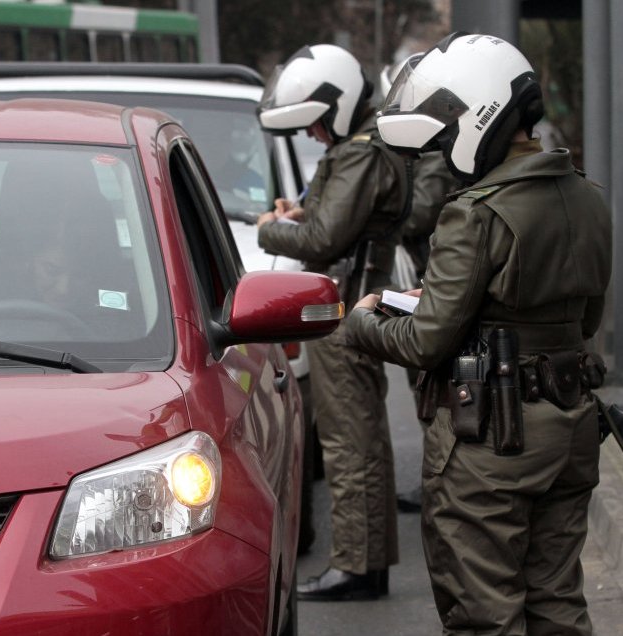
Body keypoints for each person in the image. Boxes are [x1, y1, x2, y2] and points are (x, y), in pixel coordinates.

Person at [347, 33, 612, 635]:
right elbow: (583, 322)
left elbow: (425, 343)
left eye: (443, 138)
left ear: (476, 114)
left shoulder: (475, 211)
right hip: (570, 430)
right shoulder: (589, 199)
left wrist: (364, 321)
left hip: (492, 443)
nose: (443, 153)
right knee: (558, 604)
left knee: (482, 614)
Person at [255, 43, 410, 601]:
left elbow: (325, 238)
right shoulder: (364, 148)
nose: (313, 136)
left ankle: (357, 567)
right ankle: (365, 564)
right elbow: (331, 223)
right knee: (359, 440)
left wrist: (271, 227)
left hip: (344, 313)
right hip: (352, 307)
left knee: (350, 444)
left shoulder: (361, 154)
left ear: (338, 108)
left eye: (317, 124)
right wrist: (302, 216)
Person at [378, 55, 461, 514]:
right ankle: (436, 484)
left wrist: (387, 215)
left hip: (430, 274)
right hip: (426, 273)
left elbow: (423, 210)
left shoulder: (432, 156)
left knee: (430, 387)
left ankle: (438, 485)